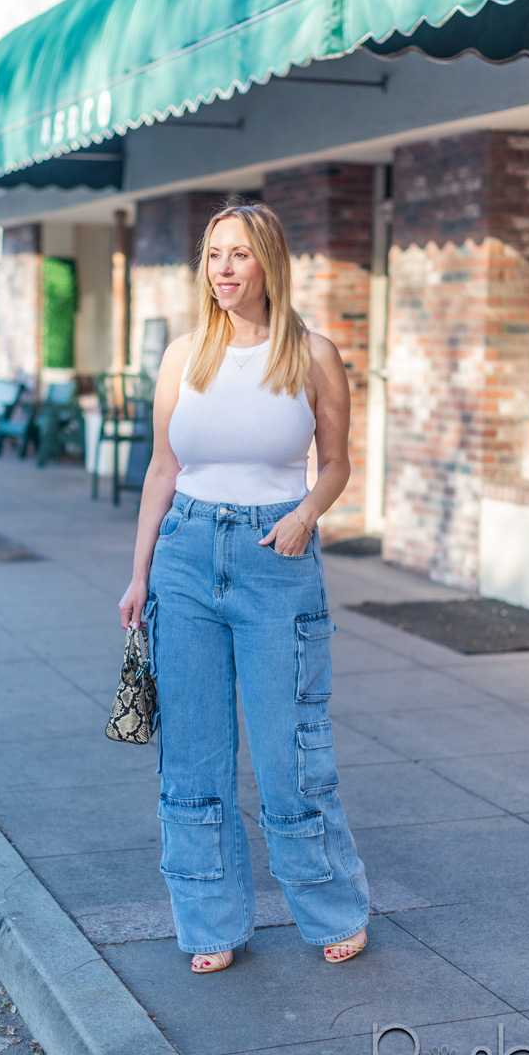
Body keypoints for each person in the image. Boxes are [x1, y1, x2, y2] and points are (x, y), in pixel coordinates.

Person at [118, 200, 369, 974]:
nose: (223, 269)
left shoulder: (313, 354)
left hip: (274, 559)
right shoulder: (182, 356)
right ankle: (211, 923)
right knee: (191, 758)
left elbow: (336, 462)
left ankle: (331, 904)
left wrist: (305, 515)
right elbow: (163, 468)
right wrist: (138, 575)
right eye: (214, 254)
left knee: (291, 752)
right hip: (185, 559)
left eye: (239, 255)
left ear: (269, 264)